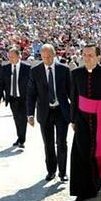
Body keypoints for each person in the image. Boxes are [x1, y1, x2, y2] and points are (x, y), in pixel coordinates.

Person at [70, 43, 101, 201]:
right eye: (84, 55)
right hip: (82, 119)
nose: (87, 58)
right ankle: (85, 187)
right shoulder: (76, 73)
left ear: (98, 57)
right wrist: (73, 119)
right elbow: (74, 97)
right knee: (83, 152)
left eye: (90, 55)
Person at [27, 44, 71, 182]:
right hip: (45, 112)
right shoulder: (35, 71)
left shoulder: (63, 70)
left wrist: (74, 114)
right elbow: (31, 94)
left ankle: (63, 172)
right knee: (48, 144)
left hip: (61, 111)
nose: (46, 59)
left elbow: (71, 92)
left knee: (61, 143)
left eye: (49, 56)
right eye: (44, 57)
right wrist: (30, 114)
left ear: (54, 55)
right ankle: (51, 171)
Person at [0, 47, 31, 148]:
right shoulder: (5, 68)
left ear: (18, 56)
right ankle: (19, 137)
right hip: (12, 98)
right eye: (9, 57)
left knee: (23, 119)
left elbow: (32, 85)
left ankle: (22, 139)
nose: (10, 58)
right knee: (16, 118)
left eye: (12, 56)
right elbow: (1, 84)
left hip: (23, 98)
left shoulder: (27, 68)